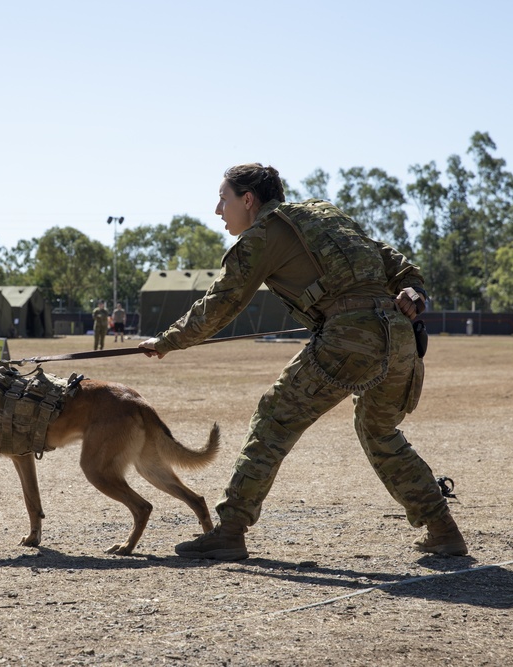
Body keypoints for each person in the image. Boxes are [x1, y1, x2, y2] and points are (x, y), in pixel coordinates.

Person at [139, 163, 467, 561]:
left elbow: (222, 303)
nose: (217, 210)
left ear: (248, 200)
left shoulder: (261, 235)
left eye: (223, 199)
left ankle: (229, 530)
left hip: (350, 337)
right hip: (399, 337)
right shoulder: (324, 213)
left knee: (273, 419)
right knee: (379, 431)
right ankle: (443, 529)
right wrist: (413, 288)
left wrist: (168, 341)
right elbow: (388, 258)